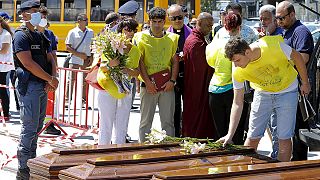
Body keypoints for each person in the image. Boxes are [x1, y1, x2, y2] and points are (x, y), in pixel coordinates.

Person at [218, 36, 310, 162]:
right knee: (253, 136)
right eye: (233, 62)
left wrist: (305, 82)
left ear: (247, 52)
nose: (235, 65)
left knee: (284, 137)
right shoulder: (237, 71)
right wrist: (230, 134)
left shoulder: (272, 46)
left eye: (237, 60)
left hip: (287, 91)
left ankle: (282, 173)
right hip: (262, 93)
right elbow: (237, 102)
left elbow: (297, 57)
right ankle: (247, 172)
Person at [13, 0, 59, 178]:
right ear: (24, 15)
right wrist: (50, 79)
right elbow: (28, 63)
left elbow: (50, 58)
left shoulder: (40, 35)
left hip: (41, 86)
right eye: (34, 11)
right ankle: (23, 169)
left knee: (37, 126)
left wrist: (52, 78)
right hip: (30, 86)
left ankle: (31, 163)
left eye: (38, 11)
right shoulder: (21, 36)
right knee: (29, 128)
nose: (38, 15)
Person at [214, 2, 259, 145]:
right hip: (222, 83)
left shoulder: (250, 33)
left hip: (243, 81)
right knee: (223, 123)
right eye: (230, 15)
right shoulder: (220, 32)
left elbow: (254, 56)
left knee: (242, 122)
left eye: (235, 15)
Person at [276, 1, 314, 161]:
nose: (279, 22)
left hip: (299, 88)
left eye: (282, 18)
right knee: (289, 129)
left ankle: (299, 164)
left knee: (299, 130)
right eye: (277, 18)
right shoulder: (285, 31)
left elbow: (303, 58)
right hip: (288, 87)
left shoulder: (301, 32)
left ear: (292, 14)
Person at [134, 7, 179, 142]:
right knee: (145, 122)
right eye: (154, 21)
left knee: (168, 122)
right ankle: (143, 151)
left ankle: (169, 151)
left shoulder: (172, 38)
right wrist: (148, 83)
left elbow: (175, 61)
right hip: (148, 86)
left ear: (164, 22)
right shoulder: (140, 37)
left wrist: (172, 81)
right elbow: (139, 62)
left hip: (166, 86)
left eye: (160, 21)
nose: (157, 25)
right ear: (149, 21)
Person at [97, 18, 141, 145]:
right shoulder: (111, 46)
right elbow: (103, 67)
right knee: (106, 125)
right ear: (120, 30)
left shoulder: (136, 50)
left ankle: (118, 154)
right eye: (127, 30)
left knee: (122, 126)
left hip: (125, 89)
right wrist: (111, 64)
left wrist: (127, 70)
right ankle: (102, 155)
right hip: (108, 89)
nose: (129, 33)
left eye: (132, 30)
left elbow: (137, 72)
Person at [206, 12, 241, 142]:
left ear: (224, 26)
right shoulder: (239, 45)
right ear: (239, 27)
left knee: (219, 134)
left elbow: (210, 62)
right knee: (235, 133)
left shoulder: (213, 44)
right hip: (233, 90)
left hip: (214, 89)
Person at [182, 12, 215, 139]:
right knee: (197, 116)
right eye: (208, 25)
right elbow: (203, 68)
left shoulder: (195, 38)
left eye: (212, 26)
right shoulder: (196, 42)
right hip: (198, 87)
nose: (210, 28)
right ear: (199, 23)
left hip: (194, 86)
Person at [258, 4, 283, 159]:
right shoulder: (264, 35)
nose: (263, 22)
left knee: (278, 128)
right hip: (266, 88)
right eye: (261, 19)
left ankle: (277, 158)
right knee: (270, 126)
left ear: (275, 19)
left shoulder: (281, 36)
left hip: (280, 88)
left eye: (266, 19)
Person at [167, 4, 192, 137]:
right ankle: (176, 135)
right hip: (172, 78)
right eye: (174, 18)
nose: (177, 21)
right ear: (169, 18)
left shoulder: (192, 33)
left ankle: (188, 134)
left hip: (188, 76)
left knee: (189, 108)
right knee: (174, 109)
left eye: (180, 17)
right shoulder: (165, 35)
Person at [37, 5, 61, 135]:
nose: (43, 19)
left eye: (45, 17)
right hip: (35, 73)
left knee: (50, 100)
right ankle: (37, 125)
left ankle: (49, 124)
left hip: (48, 73)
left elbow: (53, 54)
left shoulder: (49, 34)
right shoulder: (30, 33)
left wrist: (54, 73)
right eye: (41, 16)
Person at [65, 13, 94, 106]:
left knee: (85, 81)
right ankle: (67, 100)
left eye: (87, 19)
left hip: (86, 60)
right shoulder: (72, 32)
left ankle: (83, 101)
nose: (87, 22)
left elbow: (93, 46)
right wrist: (79, 55)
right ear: (79, 21)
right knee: (71, 80)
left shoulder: (90, 32)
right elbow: (68, 47)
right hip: (75, 59)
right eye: (85, 20)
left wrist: (91, 57)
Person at [0, 15, 14, 121]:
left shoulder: (6, 34)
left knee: (3, 90)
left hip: (3, 66)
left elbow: (4, 50)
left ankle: (5, 113)